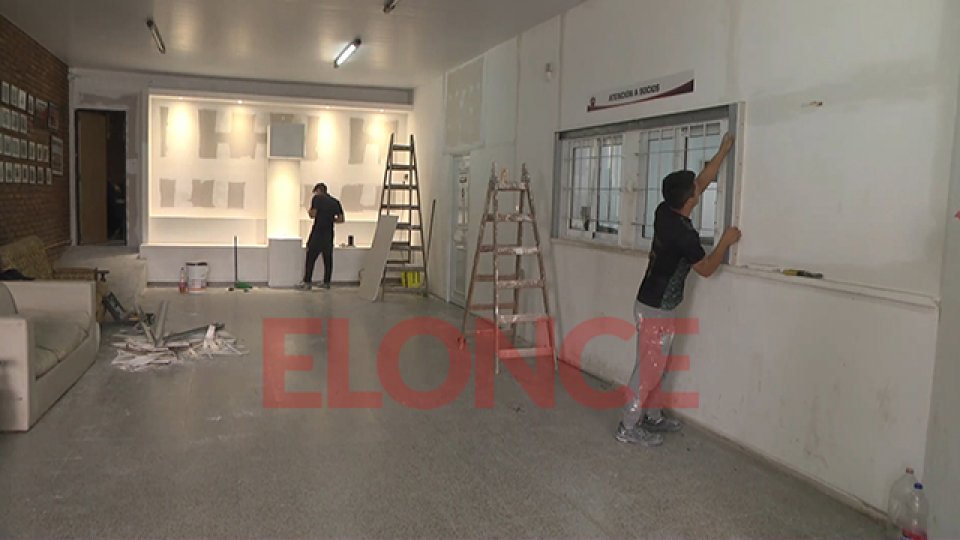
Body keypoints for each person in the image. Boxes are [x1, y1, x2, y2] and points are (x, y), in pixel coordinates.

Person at [616, 133, 742, 447]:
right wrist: (725, 242)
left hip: (657, 304)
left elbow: (702, 180)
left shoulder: (665, 210)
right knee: (648, 368)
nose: (699, 187)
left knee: (658, 363)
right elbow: (707, 269)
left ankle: (652, 415)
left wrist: (723, 150)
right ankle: (628, 425)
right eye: (695, 189)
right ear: (690, 200)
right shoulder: (684, 236)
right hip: (655, 308)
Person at [297, 183, 344, 291]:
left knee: (310, 258)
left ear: (318, 190)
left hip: (317, 232)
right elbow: (341, 219)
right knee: (328, 259)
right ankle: (327, 282)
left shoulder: (317, 198)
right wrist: (330, 220)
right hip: (329, 233)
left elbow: (312, 214)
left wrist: (309, 211)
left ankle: (307, 282)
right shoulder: (335, 202)